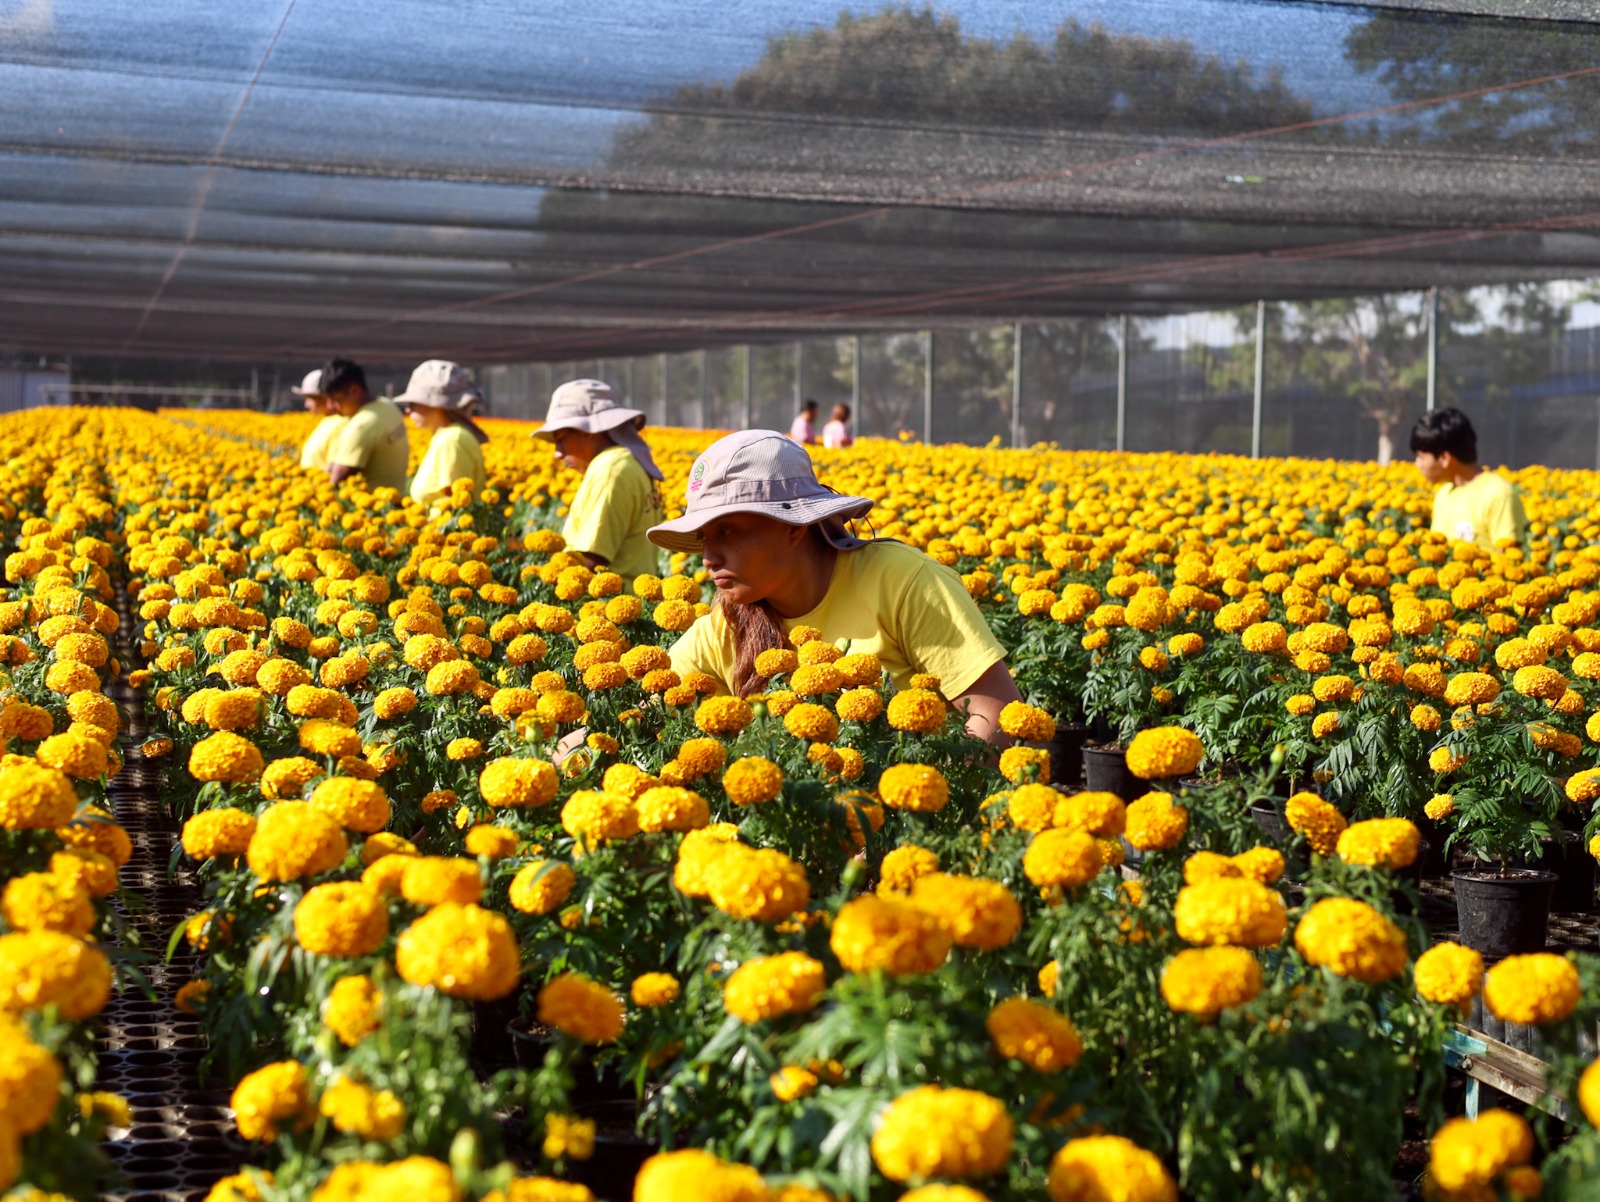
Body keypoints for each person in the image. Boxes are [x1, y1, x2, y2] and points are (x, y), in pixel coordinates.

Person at [649, 429, 1021, 744]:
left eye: (727, 531)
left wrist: (918, 797)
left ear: (793, 526)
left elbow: (995, 713)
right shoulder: (727, 622)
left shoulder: (902, 580)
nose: (708, 557)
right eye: (703, 536)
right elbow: (643, 707)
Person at [534, 379, 664, 582]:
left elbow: (592, 559)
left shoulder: (610, 471)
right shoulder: (627, 460)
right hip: (630, 600)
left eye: (560, 439)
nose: (558, 453)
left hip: (606, 606)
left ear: (589, 431)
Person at [1410, 407, 1527, 550]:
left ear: (1444, 459)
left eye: (1421, 457)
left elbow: (1509, 562)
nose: (1417, 464)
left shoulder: (1498, 494)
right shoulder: (1443, 494)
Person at [397, 360, 489, 506]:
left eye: (413, 404)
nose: (408, 410)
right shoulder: (444, 436)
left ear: (436, 405)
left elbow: (456, 506)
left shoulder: (452, 441)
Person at [322, 358, 410, 493]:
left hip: (373, 506)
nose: (330, 406)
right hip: (397, 495)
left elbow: (335, 481)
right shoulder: (387, 405)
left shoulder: (362, 426)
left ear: (354, 391)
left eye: (335, 400)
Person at [293, 369, 346, 472]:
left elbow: (333, 467)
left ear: (326, 398)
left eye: (309, 399)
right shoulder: (327, 421)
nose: (306, 404)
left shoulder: (340, 424)